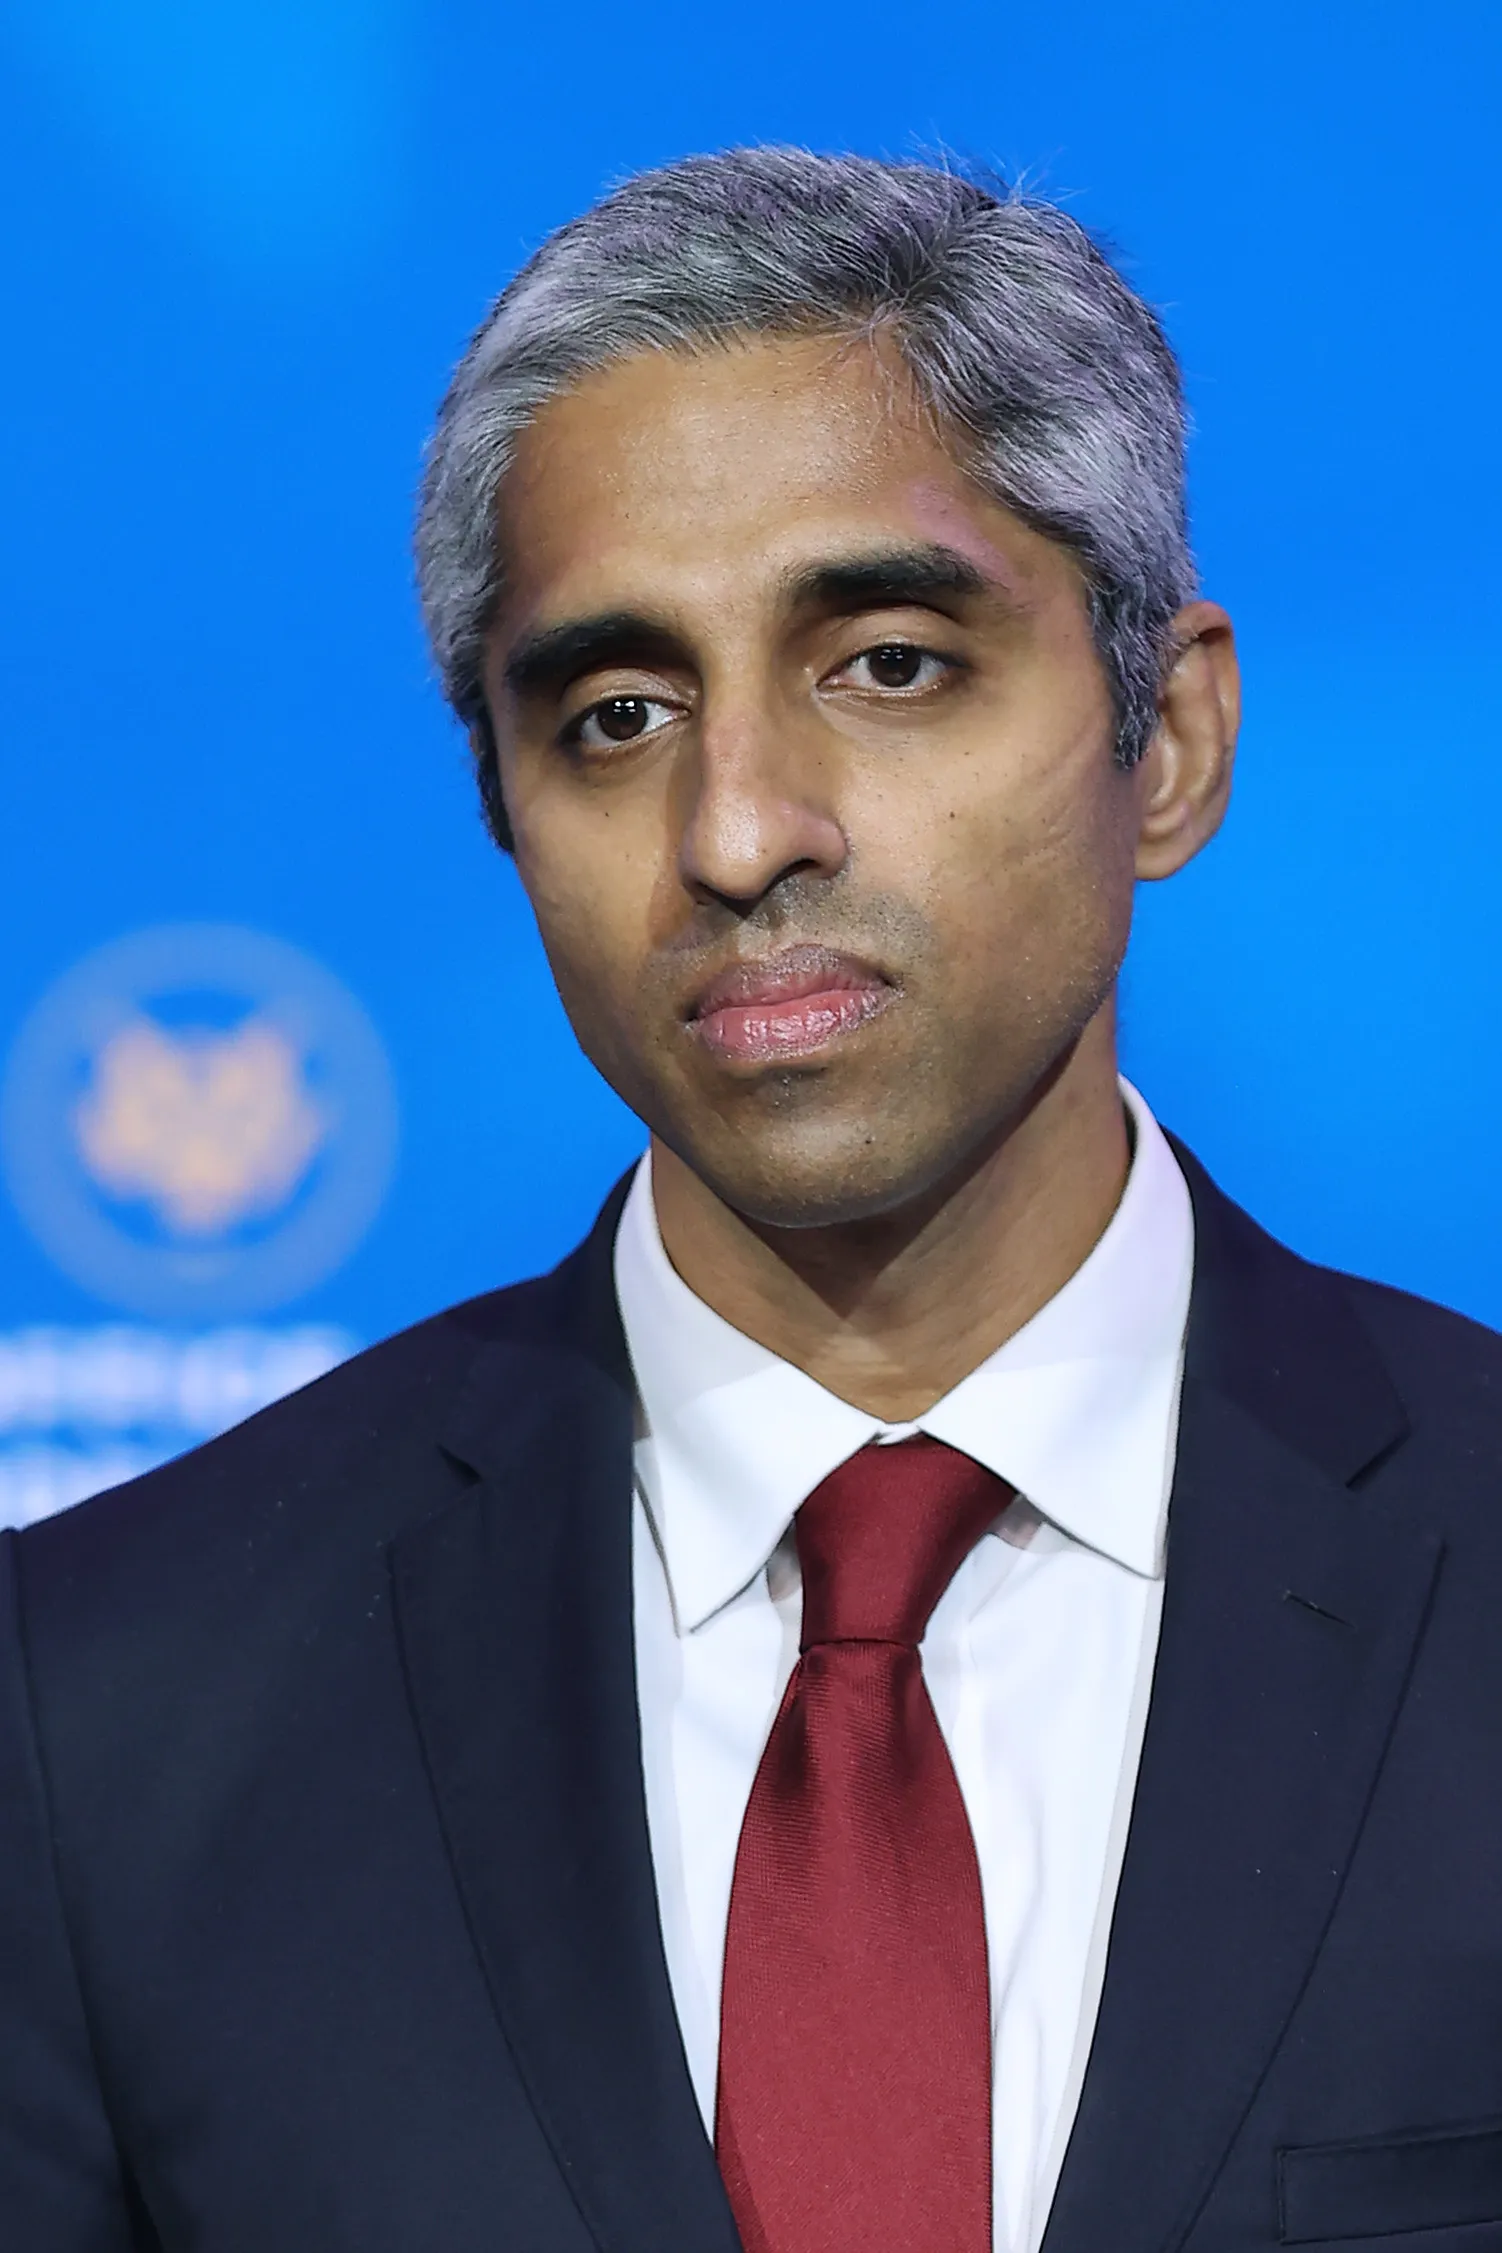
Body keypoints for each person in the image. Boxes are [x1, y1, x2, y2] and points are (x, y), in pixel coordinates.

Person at [3, 147, 1500, 2253]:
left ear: (1162, 741)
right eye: (615, 715)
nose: (734, 830)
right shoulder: (97, 1712)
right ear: (508, 820)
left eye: (885, 662)